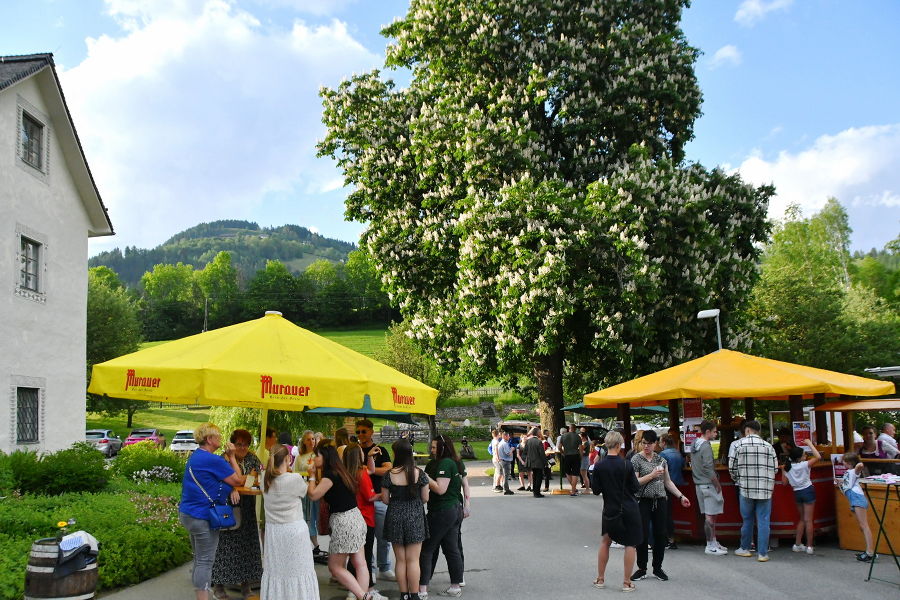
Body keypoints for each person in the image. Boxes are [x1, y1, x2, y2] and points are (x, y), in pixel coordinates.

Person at [179, 423, 245, 600]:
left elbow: (216, 481)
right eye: (218, 436)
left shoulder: (196, 457)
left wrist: (230, 488)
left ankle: (203, 594)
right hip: (203, 516)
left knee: (199, 559)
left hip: (188, 513)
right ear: (209, 439)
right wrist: (232, 457)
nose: (221, 439)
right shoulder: (213, 459)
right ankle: (203, 596)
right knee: (205, 561)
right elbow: (238, 480)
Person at [307, 442, 373, 600]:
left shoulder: (330, 475)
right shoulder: (341, 471)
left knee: (335, 567)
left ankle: (363, 596)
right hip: (356, 518)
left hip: (344, 522)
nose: (314, 459)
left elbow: (314, 495)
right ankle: (363, 596)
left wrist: (311, 475)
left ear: (325, 457)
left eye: (317, 455)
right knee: (360, 563)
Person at [259, 443, 319, 600]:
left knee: (277, 573)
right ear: (288, 458)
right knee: (299, 571)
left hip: (274, 533)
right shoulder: (295, 479)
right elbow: (310, 492)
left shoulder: (264, 479)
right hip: (294, 531)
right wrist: (312, 475)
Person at [630, 430, 691, 582]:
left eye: (649, 444)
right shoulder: (636, 459)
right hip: (643, 500)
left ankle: (658, 568)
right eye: (643, 443)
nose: (646, 446)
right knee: (642, 535)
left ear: (655, 444)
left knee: (660, 534)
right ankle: (641, 568)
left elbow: (668, 482)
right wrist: (651, 475)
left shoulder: (661, 460)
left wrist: (681, 496)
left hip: (660, 500)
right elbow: (635, 483)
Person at [211, 429, 264, 600]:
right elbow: (218, 481)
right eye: (239, 444)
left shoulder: (252, 458)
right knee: (225, 546)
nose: (243, 447)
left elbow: (257, 476)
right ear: (232, 444)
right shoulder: (222, 459)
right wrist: (232, 487)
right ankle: (218, 585)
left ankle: (246, 586)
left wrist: (252, 480)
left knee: (247, 546)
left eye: (246, 444)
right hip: (228, 507)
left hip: (247, 509)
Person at [593, 431, 641, 593]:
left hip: (610, 508)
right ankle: (627, 582)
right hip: (629, 507)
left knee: (605, 542)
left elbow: (595, 490)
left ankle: (600, 578)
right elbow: (635, 487)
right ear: (620, 445)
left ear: (606, 444)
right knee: (630, 544)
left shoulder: (599, 466)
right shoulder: (627, 464)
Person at [382, 438, 430, 600]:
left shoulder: (389, 474)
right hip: (415, 516)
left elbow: (385, 500)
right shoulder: (420, 473)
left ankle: (403, 595)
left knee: (400, 560)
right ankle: (415, 594)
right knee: (413, 560)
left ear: (396, 454)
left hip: (395, 515)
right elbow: (425, 498)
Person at [419, 435, 466, 598]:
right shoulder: (433, 463)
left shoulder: (447, 463)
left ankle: (422, 589)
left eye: (433, 447)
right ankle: (455, 586)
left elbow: (440, 489)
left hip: (444, 510)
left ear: (443, 448)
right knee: (451, 548)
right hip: (447, 511)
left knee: (427, 549)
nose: (430, 449)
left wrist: (424, 477)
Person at [728, 420, 777, 562]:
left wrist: (740, 479)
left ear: (747, 430)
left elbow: (732, 468)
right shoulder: (769, 447)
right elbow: (774, 468)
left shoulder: (739, 445)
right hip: (765, 489)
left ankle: (745, 548)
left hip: (745, 488)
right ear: (758, 431)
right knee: (763, 520)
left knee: (747, 519)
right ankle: (763, 553)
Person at [356, 419, 396, 583]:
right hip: (360, 501)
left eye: (363, 431)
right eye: (358, 432)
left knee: (383, 537)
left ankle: (384, 567)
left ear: (371, 432)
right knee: (364, 539)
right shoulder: (355, 451)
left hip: (379, 498)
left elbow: (389, 470)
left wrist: (369, 471)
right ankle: (369, 569)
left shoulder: (380, 450)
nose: (360, 435)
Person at [344, 443, 387, 600]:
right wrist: (385, 494)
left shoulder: (349, 472)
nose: (364, 454)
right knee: (365, 556)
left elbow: (372, 470)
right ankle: (367, 589)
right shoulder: (361, 475)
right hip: (365, 518)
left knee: (354, 555)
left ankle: (352, 588)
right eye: (362, 453)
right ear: (357, 456)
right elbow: (370, 497)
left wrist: (370, 457)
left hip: (353, 516)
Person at [690, 421, 727, 556]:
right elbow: (707, 466)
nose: (716, 434)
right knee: (710, 517)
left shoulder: (695, 444)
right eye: (715, 431)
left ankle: (713, 541)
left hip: (699, 483)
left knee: (709, 515)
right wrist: (716, 483)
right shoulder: (705, 446)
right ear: (707, 432)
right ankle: (710, 544)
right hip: (708, 484)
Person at [837, 452, 876, 562]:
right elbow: (849, 481)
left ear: (849, 463)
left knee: (864, 525)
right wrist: (840, 481)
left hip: (856, 498)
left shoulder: (854, 471)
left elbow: (860, 466)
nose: (842, 462)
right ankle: (869, 550)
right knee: (862, 525)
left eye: (844, 461)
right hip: (853, 498)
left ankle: (870, 552)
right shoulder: (849, 472)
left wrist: (857, 465)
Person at [784, 438, 820, 554]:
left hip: (797, 493)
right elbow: (818, 457)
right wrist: (809, 444)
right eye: (804, 455)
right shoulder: (804, 465)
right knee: (808, 520)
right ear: (799, 458)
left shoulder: (787, 468)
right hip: (808, 490)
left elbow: (784, 483)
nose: (806, 457)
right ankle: (809, 546)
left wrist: (782, 470)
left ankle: (797, 544)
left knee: (802, 520)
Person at [293, 430, 325, 561]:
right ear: (304, 442)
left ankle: (314, 544)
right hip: (302, 489)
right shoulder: (299, 456)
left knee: (312, 516)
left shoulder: (317, 455)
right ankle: (311, 544)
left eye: (313, 439)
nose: (311, 441)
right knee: (304, 516)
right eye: (309, 439)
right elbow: (295, 472)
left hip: (313, 488)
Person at [658, 434, 683, 550]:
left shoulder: (663, 455)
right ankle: (671, 539)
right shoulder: (678, 453)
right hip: (677, 485)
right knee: (669, 513)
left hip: (666, 485)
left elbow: (660, 471)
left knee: (665, 514)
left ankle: (667, 539)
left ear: (663, 442)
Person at [558, 424, 582, 496]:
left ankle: (573, 488)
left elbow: (559, 447)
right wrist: (581, 456)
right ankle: (573, 491)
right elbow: (580, 448)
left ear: (569, 429)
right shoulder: (577, 436)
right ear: (574, 429)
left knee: (567, 472)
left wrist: (563, 453)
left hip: (567, 456)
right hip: (575, 455)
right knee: (575, 473)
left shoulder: (563, 436)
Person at [524, 426, 548, 497]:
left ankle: (535, 492)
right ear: (538, 433)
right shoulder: (539, 442)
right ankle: (537, 492)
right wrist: (545, 463)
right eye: (539, 432)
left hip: (531, 462)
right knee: (539, 477)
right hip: (538, 462)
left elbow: (525, 451)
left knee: (534, 477)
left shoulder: (528, 441)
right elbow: (542, 454)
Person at [497, 431, 514, 495]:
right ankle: (506, 489)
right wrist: (512, 449)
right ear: (504, 436)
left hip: (502, 461)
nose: (509, 437)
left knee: (504, 475)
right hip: (505, 461)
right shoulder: (504, 443)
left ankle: (505, 488)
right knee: (506, 476)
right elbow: (508, 453)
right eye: (508, 436)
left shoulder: (501, 443)